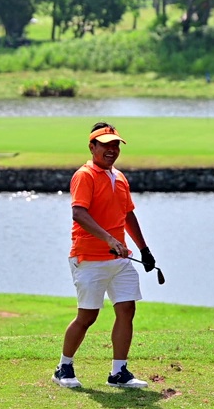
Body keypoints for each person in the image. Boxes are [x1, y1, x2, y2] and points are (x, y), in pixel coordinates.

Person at [52, 122, 155, 391]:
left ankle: (119, 372)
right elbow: (79, 213)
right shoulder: (84, 175)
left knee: (127, 309)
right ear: (92, 146)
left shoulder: (119, 177)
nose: (111, 150)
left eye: (115, 145)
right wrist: (109, 239)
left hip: (119, 259)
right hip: (89, 257)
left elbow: (127, 214)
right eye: (105, 145)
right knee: (87, 316)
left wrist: (144, 249)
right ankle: (63, 367)